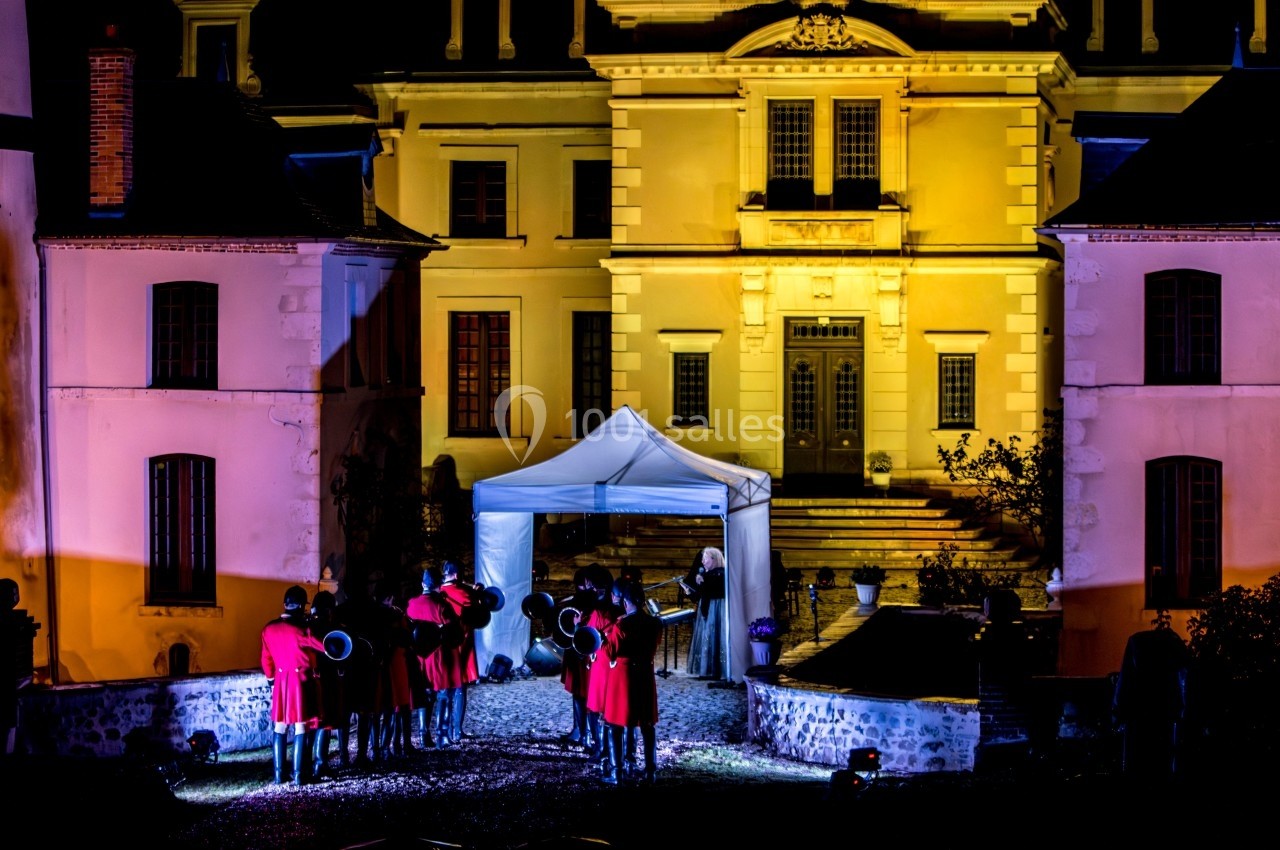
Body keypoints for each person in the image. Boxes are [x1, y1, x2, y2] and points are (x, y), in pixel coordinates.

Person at [261, 585, 327, 785]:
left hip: (280, 680)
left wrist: (271, 679)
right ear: (300, 606)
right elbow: (324, 647)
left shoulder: (268, 628)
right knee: (300, 726)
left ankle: (279, 775)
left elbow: (266, 659)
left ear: (285, 604)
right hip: (300, 681)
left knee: (279, 726)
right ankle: (299, 775)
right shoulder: (302, 630)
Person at [601, 580, 662, 785]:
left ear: (626, 603)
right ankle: (650, 772)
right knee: (647, 724)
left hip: (624, 677)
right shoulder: (654, 624)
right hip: (645, 675)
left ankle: (617, 772)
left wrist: (604, 639)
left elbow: (611, 652)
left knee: (616, 724)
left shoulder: (622, 624)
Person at [405, 565, 461, 749]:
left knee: (425, 695)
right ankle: (441, 735)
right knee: (444, 695)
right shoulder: (442, 606)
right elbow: (455, 631)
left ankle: (423, 735)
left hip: (420, 658)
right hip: (440, 656)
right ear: (438, 585)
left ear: (423, 584)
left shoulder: (412, 604)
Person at [439, 560, 484, 743]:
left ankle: (443, 732)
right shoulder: (465, 593)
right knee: (459, 688)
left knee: (444, 688)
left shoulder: (439, 593)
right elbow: (479, 610)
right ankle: (457, 730)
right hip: (462, 644)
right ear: (457, 575)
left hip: (443, 645)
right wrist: (477, 591)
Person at [306, 590, 347, 778]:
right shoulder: (332, 626)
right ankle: (320, 762)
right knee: (326, 721)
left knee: (313, 722)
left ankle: (309, 763)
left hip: (313, 677)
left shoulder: (309, 625)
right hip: (328, 677)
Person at [585, 573, 623, 777]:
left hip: (602, 662)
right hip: (615, 665)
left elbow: (589, 636)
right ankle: (618, 751)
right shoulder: (623, 613)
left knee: (596, 707)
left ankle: (601, 749)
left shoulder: (600, 612)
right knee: (612, 708)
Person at [373, 579, 416, 760]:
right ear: (390, 598)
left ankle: (378, 748)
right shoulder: (397, 616)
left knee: (378, 708)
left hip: (375, 664)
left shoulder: (371, 614)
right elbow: (407, 639)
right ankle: (395, 745)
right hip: (396, 663)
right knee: (398, 705)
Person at [559, 566, 597, 748]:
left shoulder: (593, 603)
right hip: (575, 652)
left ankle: (586, 733)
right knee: (578, 693)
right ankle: (579, 730)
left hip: (586, 653)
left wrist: (577, 625)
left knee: (585, 694)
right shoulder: (579, 600)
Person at [0, 578, 37, 760]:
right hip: (11, 684)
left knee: (10, 724)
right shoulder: (12, 626)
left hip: (12, 684)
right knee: (9, 724)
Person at [679, 546, 726, 679]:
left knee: (713, 635)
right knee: (707, 636)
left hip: (715, 609)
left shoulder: (720, 573)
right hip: (706, 608)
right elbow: (699, 595)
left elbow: (712, 591)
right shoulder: (707, 574)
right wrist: (689, 591)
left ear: (714, 559)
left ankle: (716, 669)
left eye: (705, 559)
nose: (703, 562)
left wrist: (702, 583)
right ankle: (707, 668)